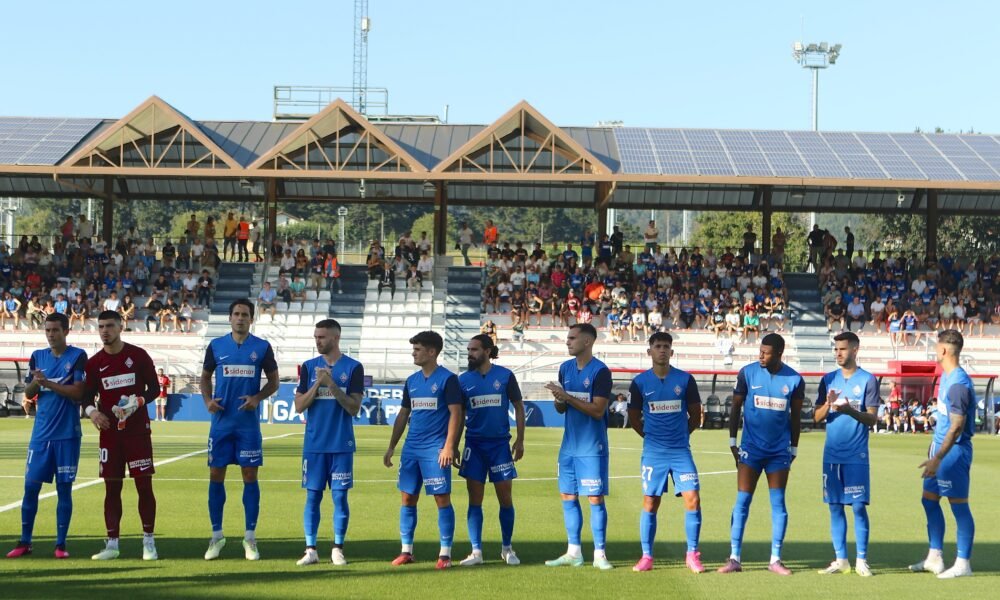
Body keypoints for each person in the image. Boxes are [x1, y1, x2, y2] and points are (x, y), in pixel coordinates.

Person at [200, 299, 280, 561]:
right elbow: (204, 377)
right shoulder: (216, 346)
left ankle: (250, 537)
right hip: (221, 424)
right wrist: (208, 401)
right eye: (236, 314)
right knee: (216, 475)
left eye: (245, 314)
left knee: (249, 476)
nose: (240, 318)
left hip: (248, 425)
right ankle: (216, 536)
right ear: (229, 318)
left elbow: (274, 381)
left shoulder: (262, 348)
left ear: (251, 319)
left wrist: (257, 398)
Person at [719, 333, 804, 575]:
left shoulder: (795, 380)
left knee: (778, 504)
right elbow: (735, 407)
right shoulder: (747, 373)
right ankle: (734, 557)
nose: (761, 355)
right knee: (742, 502)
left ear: (779, 354)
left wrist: (794, 448)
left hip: (779, 452)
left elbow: (795, 417)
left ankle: (775, 559)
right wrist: (733, 442)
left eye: (766, 352)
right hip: (751, 450)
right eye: (760, 351)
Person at [6, 314, 88, 560]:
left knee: (64, 490)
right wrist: (35, 384)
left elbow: (78, 393)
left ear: (66, 331)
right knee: (30, 487)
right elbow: (30, 391)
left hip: (67, 435)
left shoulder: (77, 357)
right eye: (48, 330)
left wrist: (49, 384)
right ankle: (25, 541)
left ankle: (60, 544)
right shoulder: (37, 356)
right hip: (40, 435)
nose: (51, 335)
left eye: (55, 330)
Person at [83, 311, 160, 561]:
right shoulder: (94, 364)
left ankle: (148, 541)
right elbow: (86, 398)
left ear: (121, 327)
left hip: (137, 432)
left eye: (110, 326)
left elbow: (155, 389)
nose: (105, 331)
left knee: (143, 486)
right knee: (111, 487)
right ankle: (112, 544)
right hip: (110, 436)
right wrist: (93, 413)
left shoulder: (138, 356)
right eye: (101, 326)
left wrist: (139, 400)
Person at [383, 331, 462, 568]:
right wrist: (391, 447)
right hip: (411, 449)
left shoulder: (448, 379)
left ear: (431, 352)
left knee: (441, 498)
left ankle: (445, 554)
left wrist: (450, 446)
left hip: (435, 450)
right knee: (407, 497)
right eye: (413, 349)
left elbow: (457, 413)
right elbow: (403, 414)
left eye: (417, 349)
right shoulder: (411, 381)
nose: (413, 353)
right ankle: (406, 551)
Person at [627, 332, 704, 573]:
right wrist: (652, 437)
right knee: (650, 502)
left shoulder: (685, 380)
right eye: (658, 346)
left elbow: (695, 414)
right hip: (654, 453)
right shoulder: (639, 383)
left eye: (666, 346)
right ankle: (647, 556)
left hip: (681, 451)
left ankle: (692, 554)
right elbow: (633, 418)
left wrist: (681, 435)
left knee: (693, 499)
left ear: (672, 351)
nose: (662, 350)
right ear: (649, 351)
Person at [293, 319, 364, 567]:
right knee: (312, 498)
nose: (317, 341)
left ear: (335, 338)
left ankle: (337, 548)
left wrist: (332, 384)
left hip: (341, 445)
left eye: (321, 337)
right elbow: (299, 405)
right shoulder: (309, 367)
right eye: (315, 337)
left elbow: (354, 408)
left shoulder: (354, 368)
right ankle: (310, 548)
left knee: (339, 498)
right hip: (313, 446)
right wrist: (317, 383)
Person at [544, 323, 614, 570]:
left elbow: (597, 411)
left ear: (587, 342)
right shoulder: (565, 368)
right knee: (568, 496)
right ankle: (573, 552)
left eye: (572, 338)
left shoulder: (601, 372)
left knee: (594, 498)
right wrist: (559, 400)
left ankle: (600, 554)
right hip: (569, 447)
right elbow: (563, 409)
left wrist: (568, 397)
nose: (567, 341)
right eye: (567, 337)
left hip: (592, 447)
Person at [909, 329, 977, 579]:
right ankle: (935, 557)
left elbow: (957, 425)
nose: (935, 349)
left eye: (937, 346)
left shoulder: (958, 383)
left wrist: (938, 458)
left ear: (944, 350)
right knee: (929, 500)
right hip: (939, 451)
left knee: (959, 507)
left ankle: (963, 564)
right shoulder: (947, 377)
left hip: (953, 454)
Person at [456, 334, 525, 567]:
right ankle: (476, 552)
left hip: (499, 446)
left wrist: (520, 440)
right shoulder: (463, 380)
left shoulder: (505, 376)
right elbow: (457, 416)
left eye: (474, 349)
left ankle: (507, 548)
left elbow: (518, 406)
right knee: (475, 500)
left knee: (505, 498)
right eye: (468, 349)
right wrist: (454, 445)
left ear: (487, 351)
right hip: (474, 446)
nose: (470, 354)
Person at [814, 332, 879, 577]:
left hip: (856, 455)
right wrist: (828, 405)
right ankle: (841, 559)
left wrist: (851, 410)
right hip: (831, 456)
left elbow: (872, 418)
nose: (838, 353)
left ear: (855, 350)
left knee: (859, 506)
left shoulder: (868, 380)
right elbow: (817, 417)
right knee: (834, 506)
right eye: (836, 349)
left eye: (842, 349)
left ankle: (861, 559)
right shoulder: (828, 379)